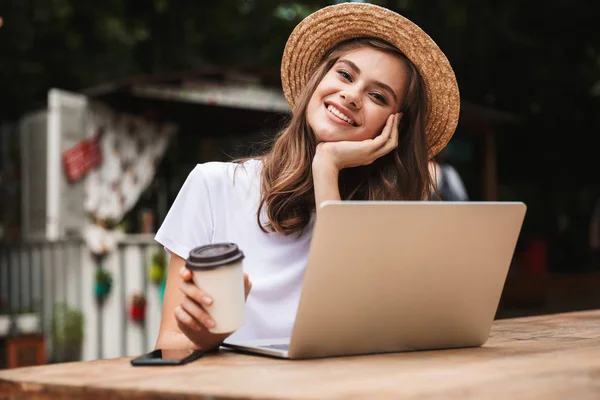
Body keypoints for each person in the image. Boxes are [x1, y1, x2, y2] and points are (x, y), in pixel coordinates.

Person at [154, 3, 460, 351]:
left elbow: (359, 334)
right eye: (345, 75)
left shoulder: (391, 215)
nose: (352, 96)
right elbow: (168, 344)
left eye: (377, 96)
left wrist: (326, 167)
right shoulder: (214, 186)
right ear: (317, 80)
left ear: (395, 128)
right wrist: (209, 337)